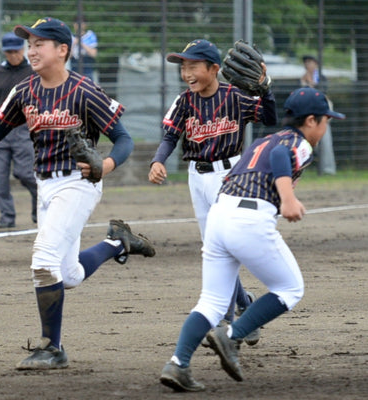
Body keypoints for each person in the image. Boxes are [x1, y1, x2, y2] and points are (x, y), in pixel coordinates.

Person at [0, 17, 156, 370]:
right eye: (29, 43)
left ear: (62, 50)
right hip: (45, 184)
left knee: (43, 260)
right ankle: (117, 243)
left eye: (39, 43)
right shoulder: (25, 90)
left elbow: (124, 139)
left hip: (78, 183)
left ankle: (52, 347)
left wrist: (104, 166)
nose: (31, 50)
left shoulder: (84, 90)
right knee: (69, 274)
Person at [159, 87, 345, 392]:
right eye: (325, 120)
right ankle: (232, 336)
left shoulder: (263, 139)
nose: (325, 127)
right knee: (290, 288)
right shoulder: (297, 143)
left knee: (213, 301)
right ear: (310, 120)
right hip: (247, 219)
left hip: (220, 215)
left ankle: (178, 364)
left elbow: (264, 162)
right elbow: (281, 156)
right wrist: (287, 199)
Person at [148, 39, 278, 344]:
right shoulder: (184, 101)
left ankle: (227, 319)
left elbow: (270, 119)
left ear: (214, 69)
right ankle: (245, 305)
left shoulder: (236, 97)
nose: (187, 73)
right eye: (183, 68)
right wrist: (157, 161)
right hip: (197, 176)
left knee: (224, 247)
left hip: (230, 175)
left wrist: (266, 89)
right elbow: (170, 136)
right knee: (215, 248)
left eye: (193, 67)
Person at [0, 32, 38, 228]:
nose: (13, 55)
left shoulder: (33, 73)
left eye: (16, 51)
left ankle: (39, 207)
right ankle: (6, 217)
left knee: (26, 174)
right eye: (9, 52)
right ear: (4, 52)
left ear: (22, 50)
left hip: (24, 130)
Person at [300, 55, 336, 175]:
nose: (307, 64)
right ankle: (301, 169)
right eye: (305, 62)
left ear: (315, 64)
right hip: (307, 114)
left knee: (325, 141)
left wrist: (311, 84)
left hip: (321, 113)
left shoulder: (321, 77)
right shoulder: (302, 78)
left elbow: (322, 93)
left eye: (309, 62)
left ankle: (327, 169)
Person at [70, 16, 97, 81]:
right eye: (76, 23)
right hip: (74, 68)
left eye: (82, 23)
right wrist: (74, 44)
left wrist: (81, 43)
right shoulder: (70, 37)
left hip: (87, 68)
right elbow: (68, 56)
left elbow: (93, 54)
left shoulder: (90, 36)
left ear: (85, 25)